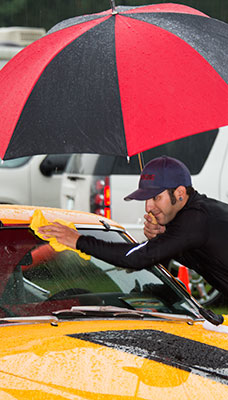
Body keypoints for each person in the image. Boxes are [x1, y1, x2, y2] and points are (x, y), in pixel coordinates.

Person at [38, 155, 228, 295]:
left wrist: (77, 240)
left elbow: (135, 258)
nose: (148, 206)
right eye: (146, 198)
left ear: (179, 193)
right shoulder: (199, 215)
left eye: (156, 197)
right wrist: (164, 236)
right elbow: (199, 257)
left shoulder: (195, 220)